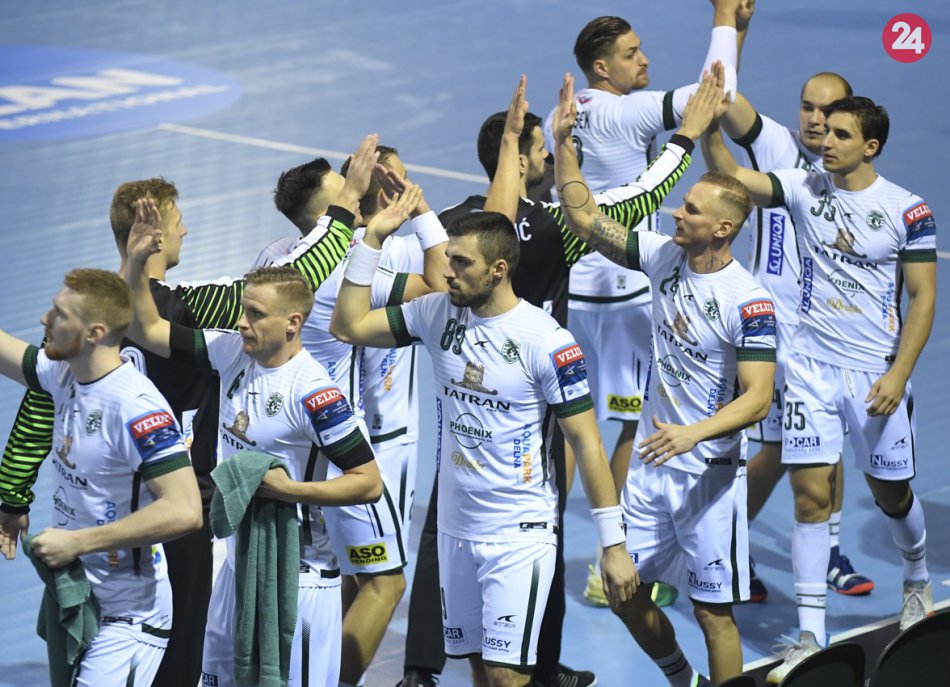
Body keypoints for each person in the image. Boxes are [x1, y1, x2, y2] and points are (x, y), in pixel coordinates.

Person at [0, 141, 371, 685]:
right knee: (179, 652)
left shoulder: (83, 322)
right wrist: (345, 207)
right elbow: (299, 278)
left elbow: (40, 404)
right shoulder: (196, 306)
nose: (186, 232)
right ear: (156, 236)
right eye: (178, 224)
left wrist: (12, 496)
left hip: (99, 515)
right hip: (184, 511)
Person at [398, 71, 716, 687]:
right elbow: (640, 198)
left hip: (463, 400)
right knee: (540, 530)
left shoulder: (452, 227)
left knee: (447, 521)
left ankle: (421, 668)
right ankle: (538, 667)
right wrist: (686, 137)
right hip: (530, 403)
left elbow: (418, 281)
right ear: (521, 161)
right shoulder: (553, 229)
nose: (548, 158)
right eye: (541, 150)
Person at [331, 196, 639, 687]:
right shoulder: (435, 313)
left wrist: (613, 544)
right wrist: (371, 241)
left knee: (505, 674)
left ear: (499, 269)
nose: (446, 273)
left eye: (461, 263)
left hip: (519, 531)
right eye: (448, 258)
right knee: (478, 665)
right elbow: (347, 326)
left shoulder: (547, 342)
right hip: (455, 530)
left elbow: (587, 444)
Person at [553, 69, 776, 686]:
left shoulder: (748, 301)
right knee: (624, 592)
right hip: (652, 471)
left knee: (712, 615)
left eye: (692, 210)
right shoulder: (662, 256)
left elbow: (758, 399)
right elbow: (584, 220)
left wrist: (693, 433)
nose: (678, 212)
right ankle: (683, 680)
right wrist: (565, 145)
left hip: (709, 477)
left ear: (723, 228)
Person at [702, 95, 936, 682]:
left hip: (874, 374)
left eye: (840, 134)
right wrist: (706, 130)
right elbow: (731, 179)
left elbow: (923, 297)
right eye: (825, 130)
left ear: (870, 146)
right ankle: (810, 634)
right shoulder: (803, 187)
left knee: (892, 494)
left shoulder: (908, 211)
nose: (825, 141)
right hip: (808, 369)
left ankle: (916, 577)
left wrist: (899, 374)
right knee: (809, 499)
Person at [125, 197, 385, 687]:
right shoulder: (230, 351)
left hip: (300, 577)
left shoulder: (316, 394)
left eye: (256, 315)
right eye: (244, 311)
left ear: (293, 323)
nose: (242, 322)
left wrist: (291, 492)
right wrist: (137, 265)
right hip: (237, 563)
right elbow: (148, 328)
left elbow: (368, 482)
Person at [543, 0, 749, 609]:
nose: (645, 60)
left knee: (569, 425)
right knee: (631, 424)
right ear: (601, 68)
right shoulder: (628, 110)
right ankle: (614, 557)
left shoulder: (567, 112)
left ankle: (547, 547)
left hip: (572, 291)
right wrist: (725, 19)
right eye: (632, 54)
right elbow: (718, 92)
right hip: (626, 291)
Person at [257, 144, 448, 687]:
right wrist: (419, 211)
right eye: (346, 191)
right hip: (348, 448)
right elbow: (441, 288)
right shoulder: (350, 267)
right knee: (386, 583)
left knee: (333, 571)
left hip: (291, 444)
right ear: (328, 215)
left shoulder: (276, 257)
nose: (358, 194)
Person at [0, 268, 202, 686]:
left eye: (59, 314)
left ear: (94, 333)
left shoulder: (137, 408)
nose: (44, 319)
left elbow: (185, 510)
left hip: (130, 620)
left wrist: (77, 542)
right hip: (85, 598)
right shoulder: (64, 374)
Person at [720, 69, 874, 600]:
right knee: (773, 450)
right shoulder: (775, 145)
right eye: (807, 106)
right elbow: (725, 97)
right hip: (773, 338)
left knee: (828, 442)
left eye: (827, 111)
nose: (814, 119)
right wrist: (732, 33)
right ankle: (732, 544)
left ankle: (829, 551)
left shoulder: (849, 170)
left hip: (827, 337)